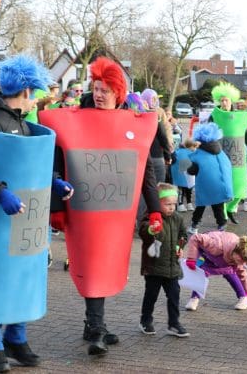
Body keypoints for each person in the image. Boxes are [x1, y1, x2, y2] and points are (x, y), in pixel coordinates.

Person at [0, 55, 73, 373]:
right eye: (34, 93)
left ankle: (16, 339)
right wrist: (1, 192)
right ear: (25, 91)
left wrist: (54, 181)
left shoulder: (21, 123)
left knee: (22, 277)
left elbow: (30, 165)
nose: (35, 100)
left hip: (22, 220)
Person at [43, 57, 163, 356]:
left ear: (118, 93)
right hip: (83, 212)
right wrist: (56, 207)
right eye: (96, 88)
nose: (98, 94)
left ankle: (93, 324)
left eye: (105, 90)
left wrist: (155, 209)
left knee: (106, 264)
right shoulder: (74, 120)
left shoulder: (131, 124)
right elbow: (56, 166)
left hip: (116, 216)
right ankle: (96, 329)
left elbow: (145, 173)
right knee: (92, 264)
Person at [138, 183, 190, 337]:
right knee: (151, 296)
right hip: (154, 267)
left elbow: (183, 235)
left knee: (174, 296)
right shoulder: (151, 217)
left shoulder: (177, 218)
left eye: (174, 204)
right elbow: (143, 231)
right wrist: (151, 229)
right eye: (168, 204)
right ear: (157, 203)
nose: (172, 207)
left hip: (172, 267)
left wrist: (180, 246)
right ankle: (145, 320)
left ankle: (174, 323)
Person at [209, 83, 247, 225]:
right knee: (223, 186)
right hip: (221, 155)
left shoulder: (240, 116)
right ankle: (223, 216)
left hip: (238, 156)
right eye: (221, 100)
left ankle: (231, 209)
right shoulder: (214, 115)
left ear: (231, 101)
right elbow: (208, 134)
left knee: (239, 188)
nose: (224, 103)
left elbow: (245, 135)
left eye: (226, 100)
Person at [184, 231, 247, 311]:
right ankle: (194, 299)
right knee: (201, 274)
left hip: (226, 258)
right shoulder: (215, 244)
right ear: (236, 252)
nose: (242, 263)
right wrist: (191, 258)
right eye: (241, 260)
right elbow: (195, 237)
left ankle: (243, 298)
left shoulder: (239, 259)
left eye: (244, 262)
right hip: (210, 255)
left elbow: (242, 274)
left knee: (230, 273)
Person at [186, 122, 233, 234]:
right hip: (222, 184)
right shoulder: (220, 152)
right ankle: (222, 226)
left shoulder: (198, 154)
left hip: (206, 185)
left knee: (201, 205)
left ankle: (194, 226)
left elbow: (191, 171)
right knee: (218, 205)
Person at [170, 138, 198, 212]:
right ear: (189, 146)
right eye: (194, 146)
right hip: (182, 172)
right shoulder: (183, 152)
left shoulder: (181, 152)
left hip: (186, 172)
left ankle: (188, 203)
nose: (195, 148)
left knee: (187, 188)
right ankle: (180, 204)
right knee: (182, 189)